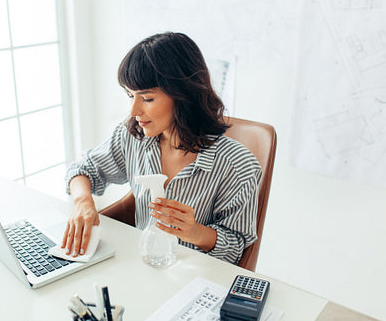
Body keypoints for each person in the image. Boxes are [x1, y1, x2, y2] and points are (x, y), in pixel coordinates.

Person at [61, 32, 261, 264]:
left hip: (197, 281)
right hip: (143, 269)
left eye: (146, 98)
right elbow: (83, 169)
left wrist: (195, 231)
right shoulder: (132, 137)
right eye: (130, 95)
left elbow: (237, 250)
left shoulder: (237, 166)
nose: (134, 111)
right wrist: (83, 201)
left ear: (183, 96)